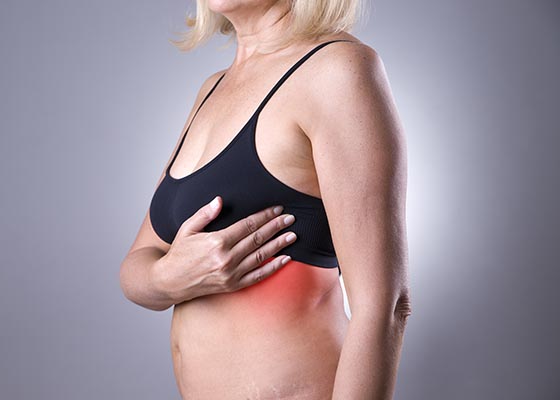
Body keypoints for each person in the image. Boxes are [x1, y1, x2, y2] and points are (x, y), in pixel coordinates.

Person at [119, 1, 411, 399]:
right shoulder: (212, 89)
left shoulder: (337, 70)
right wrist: (169, 277)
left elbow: (385, 307)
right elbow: (136, 268)